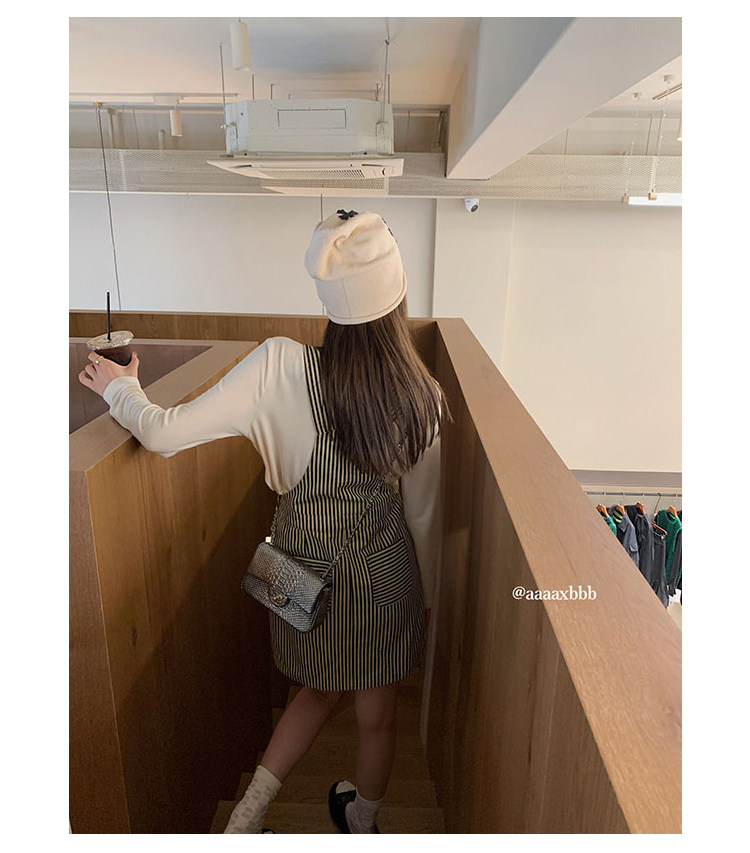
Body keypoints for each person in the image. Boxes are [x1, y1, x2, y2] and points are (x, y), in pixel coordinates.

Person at [78, 209, 451, 834]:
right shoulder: (423, 397)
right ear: (398, 294)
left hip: (301, 578)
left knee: (314, 691)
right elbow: (424, 516)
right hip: (385, 581)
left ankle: (245, 821)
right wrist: (430, 598)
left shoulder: (278, 365)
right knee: (377, 716)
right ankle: (362, 823)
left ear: (327, 298)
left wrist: (121, 388)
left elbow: (162, 434)